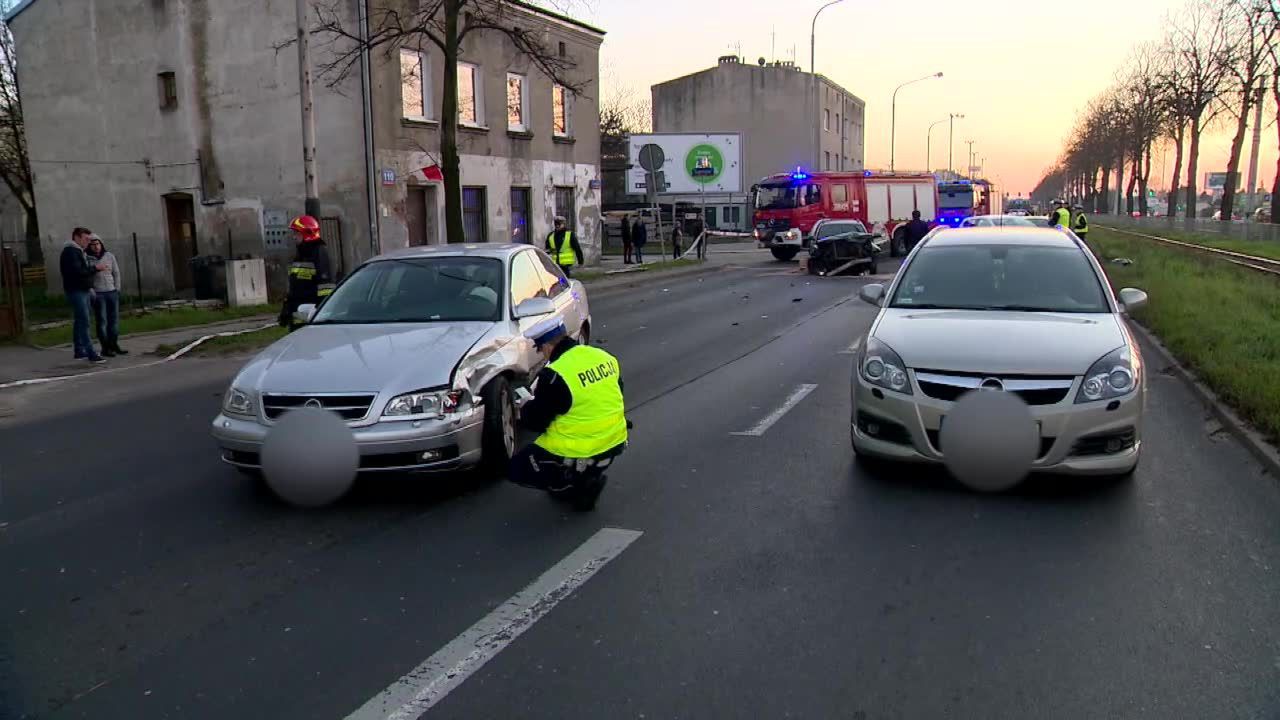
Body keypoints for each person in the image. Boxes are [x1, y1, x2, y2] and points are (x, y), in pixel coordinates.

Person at [509, 318, 628, 511]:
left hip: (580, 449)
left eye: (540, 349)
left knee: (517, 468)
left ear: (548, 346)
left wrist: (524, 407)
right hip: (615, 440)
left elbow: (536, 422)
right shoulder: (603, 356)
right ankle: (590, 475)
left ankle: (566, 485)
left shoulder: (555, 374)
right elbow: (617, 392)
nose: (542, 354)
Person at [60, 227, 108, 363]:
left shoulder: (79, 251)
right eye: (86, 239)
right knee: (84, 321)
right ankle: (90, 352)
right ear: (77, 237)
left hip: (83, 289)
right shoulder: (71, 252)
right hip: (76, 290)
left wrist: (89, 287)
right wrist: (95, 268)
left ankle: (79, 350)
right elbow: (78, 271)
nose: (88, 242)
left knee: (80, 320)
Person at [278, 215, 334, 330]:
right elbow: (295, 287)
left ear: (307, 233)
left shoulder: (319, 252)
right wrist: (287, 309)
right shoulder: (301, 253)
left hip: (311, 314)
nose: (294, 237)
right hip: (298, 315)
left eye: (297, 233)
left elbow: (326, 286)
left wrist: (320, 310)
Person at [85, 234, 127, 357]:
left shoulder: (109, 256)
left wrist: (117, 288)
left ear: (101, 244)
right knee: (102, 321)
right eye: (92, 245)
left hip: (111, 291)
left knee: (114, 321)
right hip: (98, 293)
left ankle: (114, 344)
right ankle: (105, 347)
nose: (96, 247)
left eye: (97, 244)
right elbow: (86, 275)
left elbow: (116, 273)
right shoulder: (87, 258)